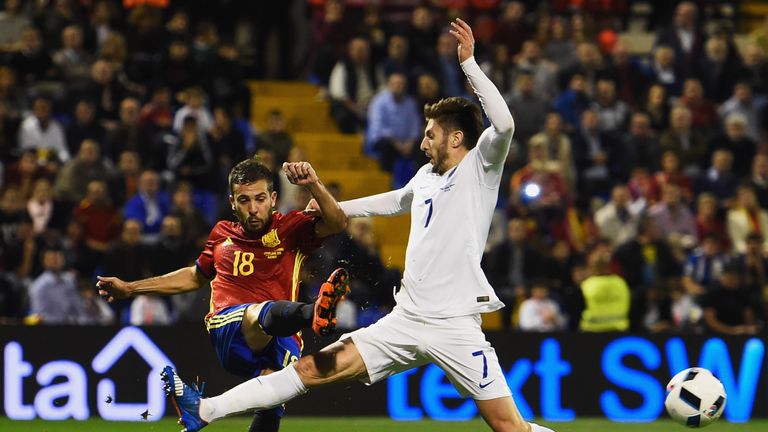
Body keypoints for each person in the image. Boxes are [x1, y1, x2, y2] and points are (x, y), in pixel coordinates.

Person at [162, 19, 554, 432]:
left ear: (455, 139)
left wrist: (469, 64)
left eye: (430, 135)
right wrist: (330, 207)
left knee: (509, 428)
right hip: (406, 319)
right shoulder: (426, 177)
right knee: (312, 368)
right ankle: (204, 410)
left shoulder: (481, 167)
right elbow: (396, 200)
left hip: (454, 324)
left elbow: (505, 125)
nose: (423, 143)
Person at [96, 158, 350, 432]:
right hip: (230, 328)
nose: (253, 208)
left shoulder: (291, 229)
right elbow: (195, 277)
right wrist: (130, 288)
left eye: (260, 199)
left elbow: (337, 223)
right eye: (244, 200)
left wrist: (313, 184)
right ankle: (314, 312)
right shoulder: (222, 234)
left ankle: (313, 314)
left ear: (274, 199)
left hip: (283, 336)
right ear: (232, 202)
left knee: (272, 400)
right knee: (256, 314)